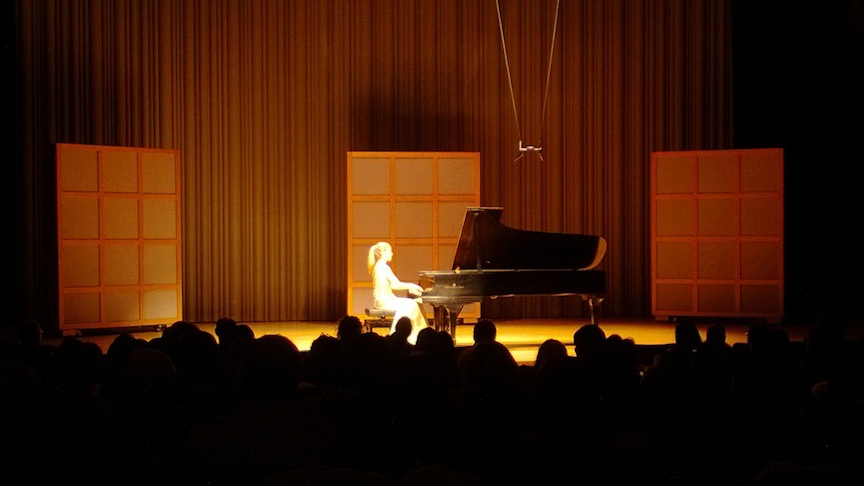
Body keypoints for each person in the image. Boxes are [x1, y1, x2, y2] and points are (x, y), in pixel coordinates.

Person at [367, 241, 429, 343]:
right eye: (390, 251)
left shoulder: (379, 266)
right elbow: (396, 284)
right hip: (384, 300)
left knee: (414, 303)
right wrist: (413, 285)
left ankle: (413, 336)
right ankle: (404, 334)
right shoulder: (383, 267)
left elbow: (393, 285)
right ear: (383, 253)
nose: (392, 253)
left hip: (383, 299)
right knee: (413, 304)